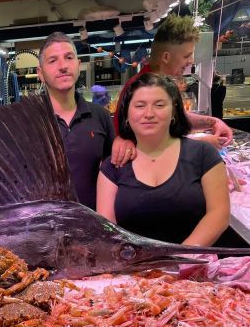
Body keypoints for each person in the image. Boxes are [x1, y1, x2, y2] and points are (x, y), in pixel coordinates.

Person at [97, 73, 229, 246]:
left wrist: (181, 258)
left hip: (194, 265)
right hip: (135, 268)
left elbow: (219, 213)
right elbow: (108, 229)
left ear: (174, 110)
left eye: (159, 105)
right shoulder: (113, 166)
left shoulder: (204, 154)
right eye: (139, 105)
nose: (149, 113)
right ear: (127, 114)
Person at [111, 14, 233, 166]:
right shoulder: (140, 88)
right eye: (186, 56)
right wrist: (201, 143)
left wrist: (212, 122)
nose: (191, 61)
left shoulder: (166, 85)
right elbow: (148, 142)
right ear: (166, 57)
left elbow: (178, 118)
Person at [36, 32, 118, 209]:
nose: (63, 66)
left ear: (78, 65)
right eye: (52, 61)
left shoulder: (101, 116)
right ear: (40, 73)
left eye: (69, 57)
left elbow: (114, 171)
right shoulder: (28, 121)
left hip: (93, 225)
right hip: (44, 230)